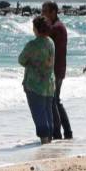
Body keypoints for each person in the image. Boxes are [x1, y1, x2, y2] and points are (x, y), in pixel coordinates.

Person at [19, 16, 56, 145]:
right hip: (49, 83)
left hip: (35, 84)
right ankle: (49, 140)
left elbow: (21, 60)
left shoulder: (32, 44)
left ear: (36, 28)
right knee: (47, 112)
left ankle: (44, 141)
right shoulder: (50, 42)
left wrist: (32, 63)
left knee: (38, 113)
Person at [41, 1, 73, 140]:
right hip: (58, 68)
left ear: (53, 12)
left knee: (54, 101)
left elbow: (43, 38)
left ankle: (58, 133)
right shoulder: (57, 27)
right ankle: (66, 132)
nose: (43, 14)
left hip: (56, 69)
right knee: (56, 101)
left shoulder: (56, 28)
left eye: (45, 11)